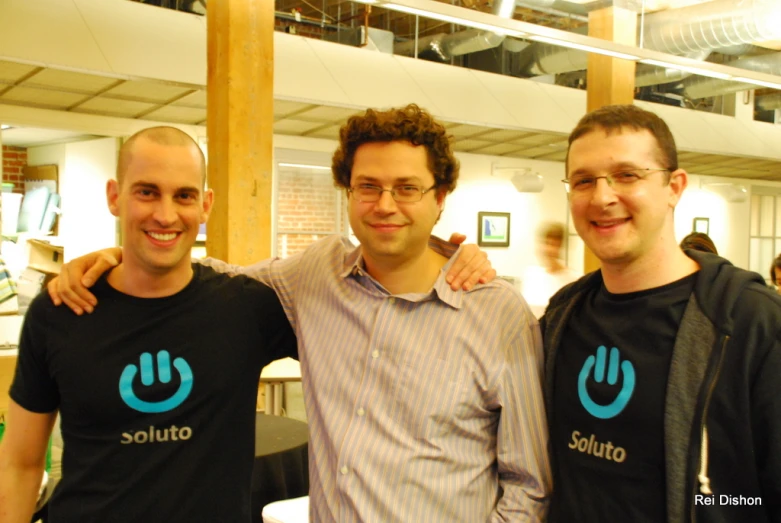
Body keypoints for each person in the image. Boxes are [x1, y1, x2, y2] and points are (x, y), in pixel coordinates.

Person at [48, 104, 551, 521]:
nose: (385, 204)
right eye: (368, 186)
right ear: (349, 192)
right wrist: (118, 257)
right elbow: (218, 278)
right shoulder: (316, 276)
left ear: (440, 197)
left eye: (408, 188)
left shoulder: (497, 313)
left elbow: (528, 486)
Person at [0, 127, 299, 522]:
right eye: (147, 192)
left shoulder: (249, 309)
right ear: (114, 196)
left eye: (184, 196)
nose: (165, 214)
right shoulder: (59, 311)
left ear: (205, 205)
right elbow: (20, 465)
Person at [541, 104, 781, 522]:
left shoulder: (749, 323)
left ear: (674, 186)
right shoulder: (562, 317)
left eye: (627, 175)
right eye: (583, 181)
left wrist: (724, 503)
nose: (602, 197)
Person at [521, 222, 579, 318]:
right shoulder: (531, 274)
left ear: (561, 247)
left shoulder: (573, 279)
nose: (549, 249)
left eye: (554, 245)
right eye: (546, 243)